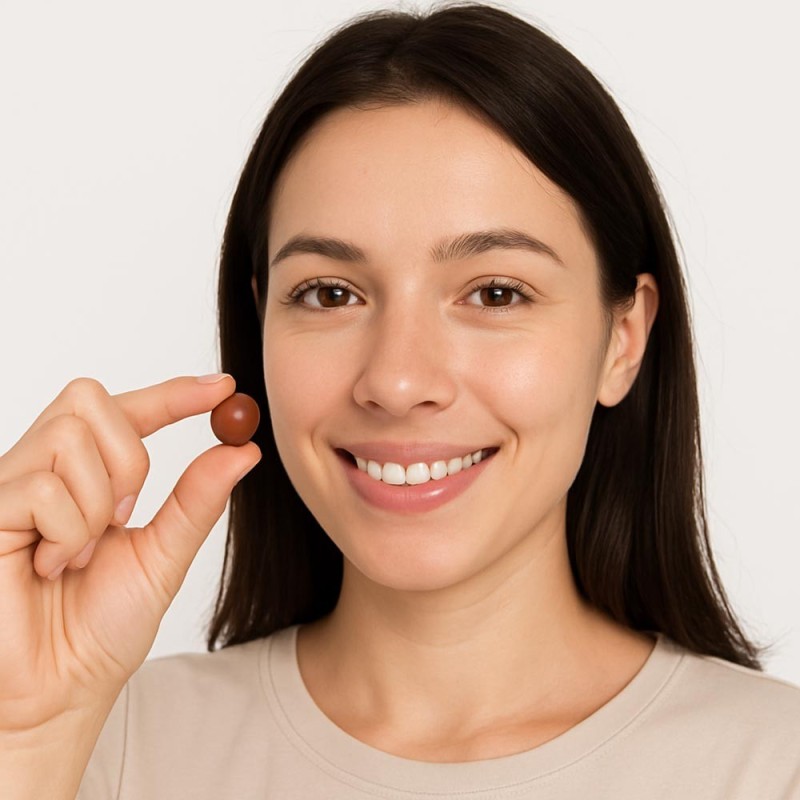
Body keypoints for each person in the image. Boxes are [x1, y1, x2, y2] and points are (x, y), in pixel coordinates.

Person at [1, 3, 798, 799]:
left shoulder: (772, 766)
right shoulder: (99, 746)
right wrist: (27, 738)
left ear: (622, 340)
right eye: (329, 293)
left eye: (494, 292)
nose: (397, 380)